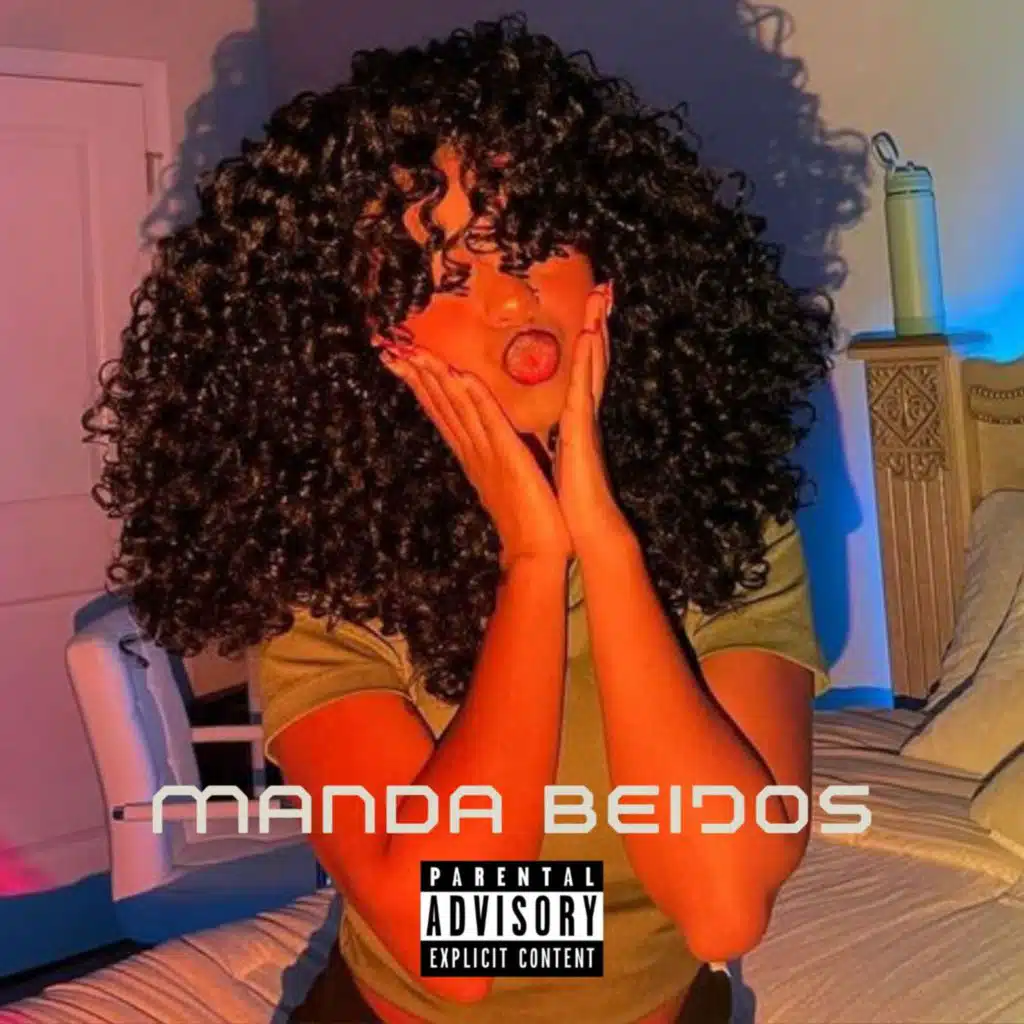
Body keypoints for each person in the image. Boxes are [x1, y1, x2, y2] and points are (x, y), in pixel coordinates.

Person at [83, 14, 833, 1023]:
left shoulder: (730, 520)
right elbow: (454, 951)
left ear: (608, 269)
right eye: (445, 276)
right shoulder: (334, 569)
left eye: (532, 246)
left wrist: (605, 546)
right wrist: (534, 561)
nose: (511, 303)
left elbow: (721, 907)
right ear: (373, 333)